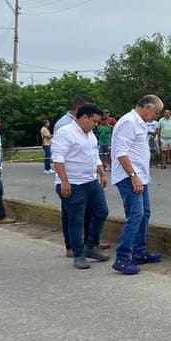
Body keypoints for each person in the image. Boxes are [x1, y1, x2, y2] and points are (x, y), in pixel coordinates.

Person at [110, 95, 165, 275]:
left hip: (140, 177)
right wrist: (133, 175)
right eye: (156, 113)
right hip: (129, 177)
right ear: (147, 107)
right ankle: (122, 258)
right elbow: (121, 152)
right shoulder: (128, 122)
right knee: (136, 214)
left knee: (144, 214)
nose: (156, 117)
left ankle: (139, 252)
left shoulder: (139, 122)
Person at [52, 104, 111, 270]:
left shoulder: (90, 134)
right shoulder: (65, 133)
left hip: (91, 182)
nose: (96, 125)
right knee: (76, 220)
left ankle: (91, 245)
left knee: (101, 212)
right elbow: (58, 159)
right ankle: (78, 254)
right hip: (73, 184)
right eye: (94, 121)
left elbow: (95, 156)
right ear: (84, 117)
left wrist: (102, 173)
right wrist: (64, 180)